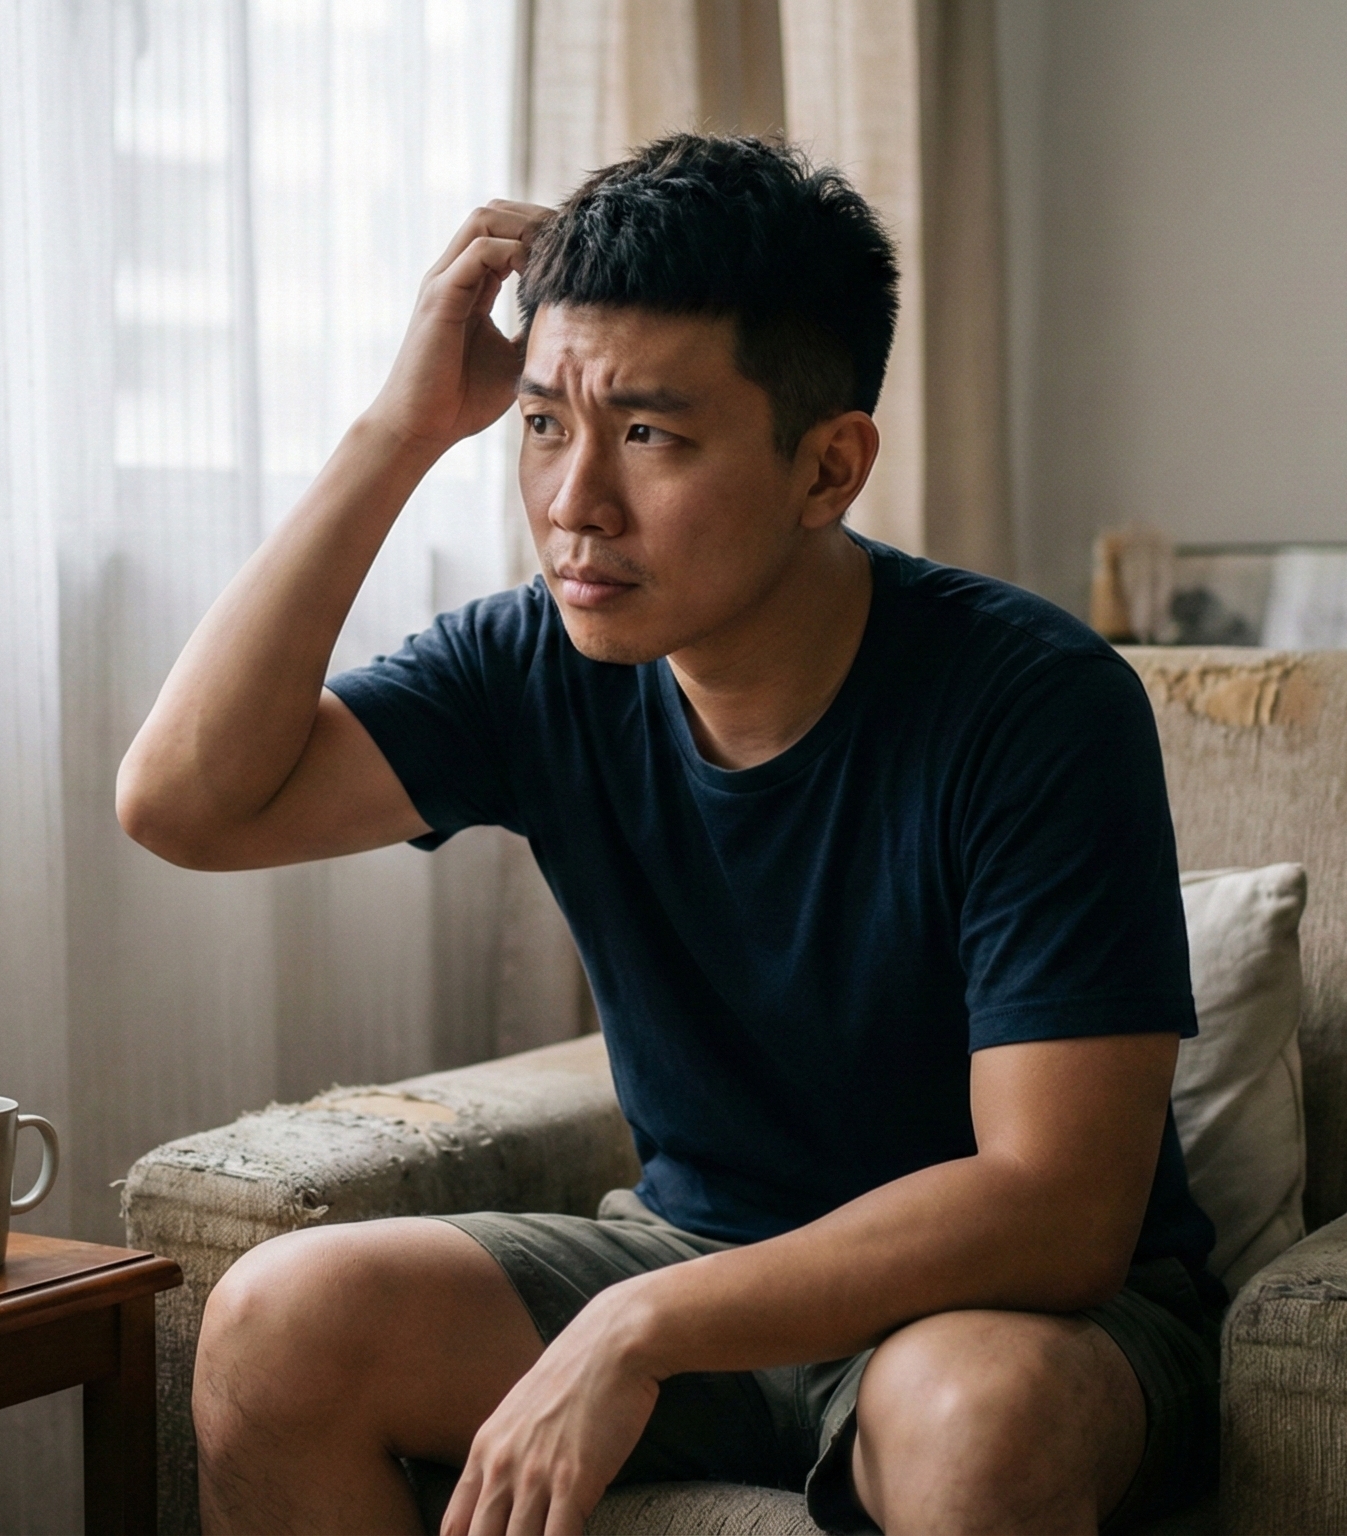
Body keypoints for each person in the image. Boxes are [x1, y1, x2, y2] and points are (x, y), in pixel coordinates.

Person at [116, 133, 1219, 1536]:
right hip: (689, 1252)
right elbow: (186, 805)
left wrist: (639, 1326)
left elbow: (1058, 1209)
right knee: (279, 1319)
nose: (575, 506)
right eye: (541, 426)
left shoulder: (1035, 705)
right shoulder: (540, 666)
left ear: (829, 468)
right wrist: (400, 430)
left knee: (971, 1419)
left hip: (998, 1314)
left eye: (649, 435)